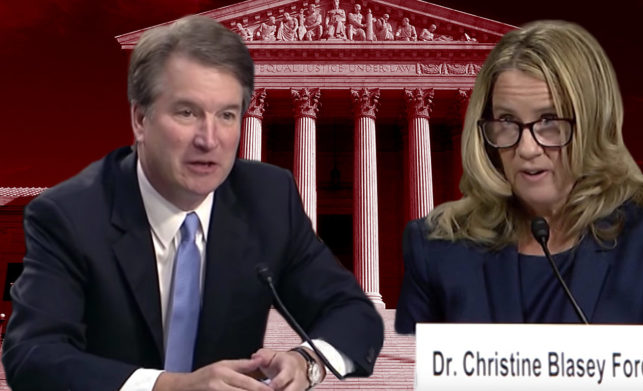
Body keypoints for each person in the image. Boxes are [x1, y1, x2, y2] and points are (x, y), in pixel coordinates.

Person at [2, 15, 383, 391]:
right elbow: (32, 356)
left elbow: (353, 314)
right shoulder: (70, 215)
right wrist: (168, 386)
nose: (209, 140)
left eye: (228, 115)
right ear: (140, 118)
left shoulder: (268, 199)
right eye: (187, 112)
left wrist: (307, 361)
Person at [394, 20, 643, 387]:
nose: (526, 148)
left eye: (549, 121)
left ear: (591, 124)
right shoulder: (435, 246)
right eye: (506, 121)